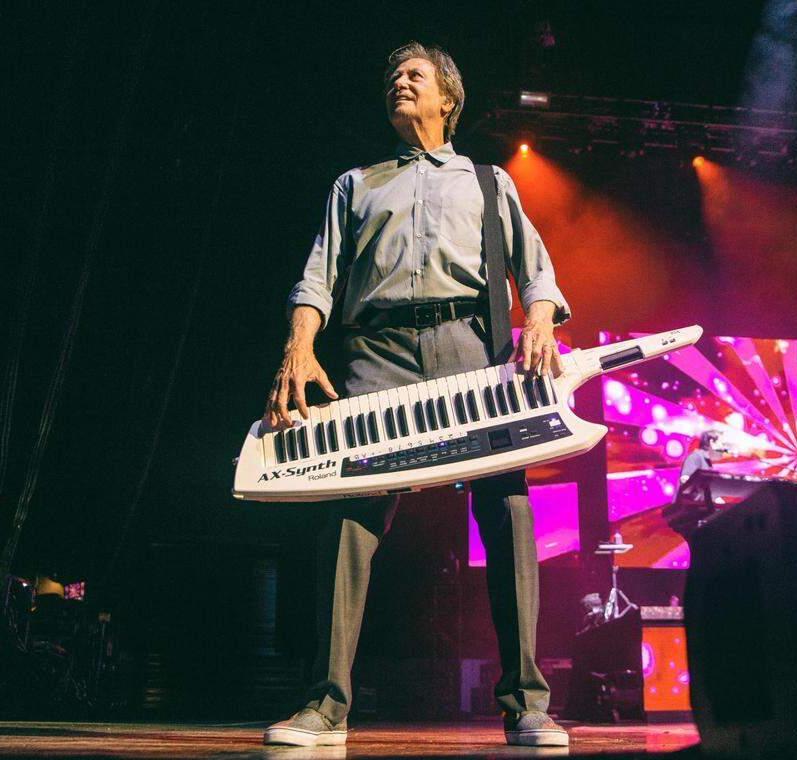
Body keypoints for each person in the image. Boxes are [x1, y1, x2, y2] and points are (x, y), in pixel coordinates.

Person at [262, 42, 570, 748]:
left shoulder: (490, 181)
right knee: (350, 513)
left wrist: (540, 321)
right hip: (379, 353)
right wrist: (298, 347)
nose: (398, 82)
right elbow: (317, 278)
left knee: (508, 506)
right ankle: (325, 706)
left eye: (414, 75)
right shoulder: (355, 183)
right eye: (392, 77)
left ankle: (527, 703)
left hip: (471, 350)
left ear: (447, 99)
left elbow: (536, 271)